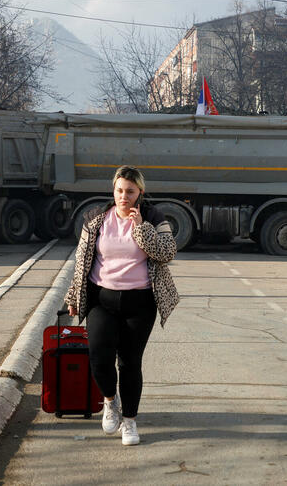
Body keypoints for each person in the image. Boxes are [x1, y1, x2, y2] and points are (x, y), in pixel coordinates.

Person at [65, 165, 179, 446]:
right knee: (99, 357)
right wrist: (73, 296)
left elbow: (167, 253)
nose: (124, 197)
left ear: (140, 192)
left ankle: (129, 421)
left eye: (130, 191)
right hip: (101, 299)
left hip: (140, 302)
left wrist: (141, 229)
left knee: (129, 363)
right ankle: (109, 400)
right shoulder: (96, 218)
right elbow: (81, 261)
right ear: (113, 190)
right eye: (119, 190)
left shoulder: (153, 217)